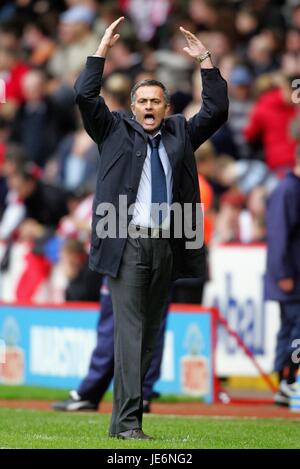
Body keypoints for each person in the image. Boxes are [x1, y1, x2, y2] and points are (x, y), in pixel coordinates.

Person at [74, 16, 228, 440]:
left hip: (166, 246)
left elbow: (216, 110)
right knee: (130, 334)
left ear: (166, 107)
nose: (147, 107)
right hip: (126, 246)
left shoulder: (181, 133)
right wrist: (99, 53)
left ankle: (121, 422)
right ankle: (128, 424)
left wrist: (207, 64)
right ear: (133, 106)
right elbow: (85, 95)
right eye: (141, 101)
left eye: (155, 101)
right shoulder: (111, 130)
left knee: (148, 339)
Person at [52, 277, 170, 413]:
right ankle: (141, 395)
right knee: (151, 328)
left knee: (115, 329)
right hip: (157, 266)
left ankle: (91, 394)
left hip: (123, 265)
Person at [265, 149, 300, 406]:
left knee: (291, 330)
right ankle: (287, 381)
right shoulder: (288, 190)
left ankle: (285, 382)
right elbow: (278, 236)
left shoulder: (291, 189)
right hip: (291, 277)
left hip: (293, 275)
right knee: (295, 331)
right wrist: (283, 273)